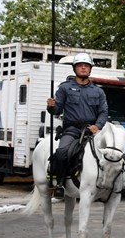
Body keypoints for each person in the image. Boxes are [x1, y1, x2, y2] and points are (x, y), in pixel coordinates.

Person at [46, 53, 108, 199]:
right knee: (61, 152)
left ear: (90, 69)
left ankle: (112, 185)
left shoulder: (98, 91)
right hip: (72, 129)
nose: (83, 68)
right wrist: (51, 107)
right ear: (74, 68)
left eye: (86, 66)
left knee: (113, 153)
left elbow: (104, 112)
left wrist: (97, 126)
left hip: (92, 130)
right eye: (80, 65)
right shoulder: (65, 88)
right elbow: (57, 110)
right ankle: (59, 184)